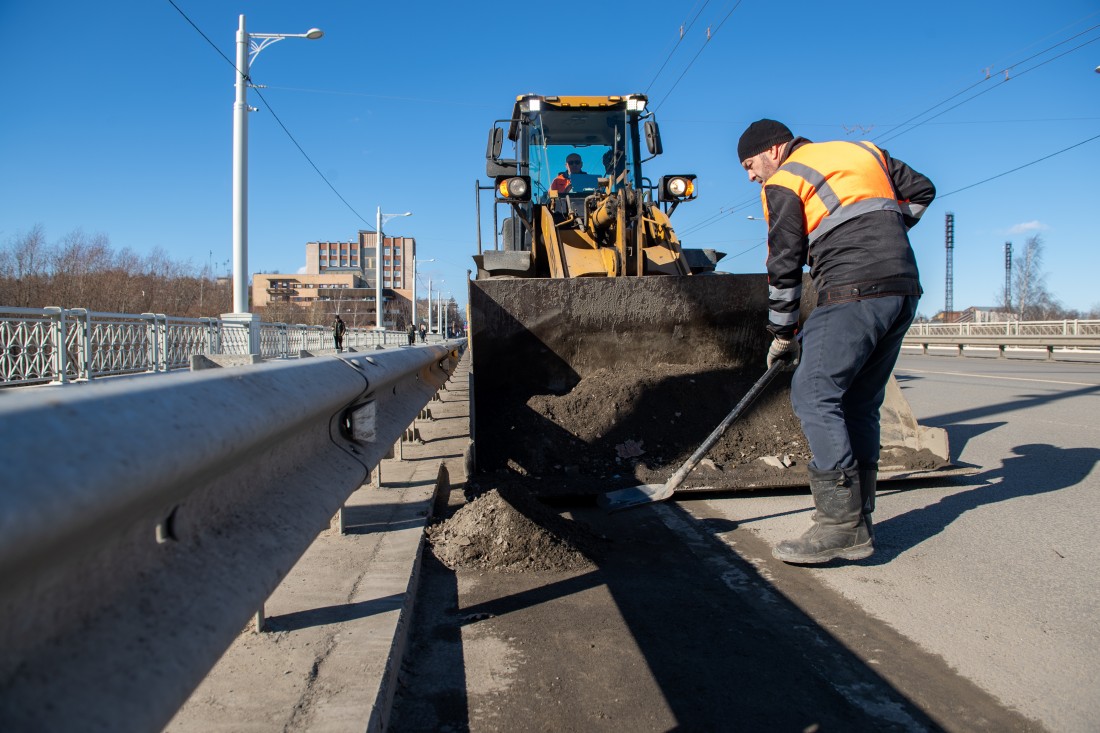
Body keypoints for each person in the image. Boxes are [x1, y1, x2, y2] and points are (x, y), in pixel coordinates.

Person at [737, 119, 935, 565]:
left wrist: (782, 332)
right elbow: (922, 190)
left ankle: (839, 526)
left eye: (750, 165)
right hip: (902, 290)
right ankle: (859, 518)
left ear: (774, 149)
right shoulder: (862, 150)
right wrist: (885, 234)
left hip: (853, 290)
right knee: (859, 404)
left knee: (813, 394)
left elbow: (784, 264)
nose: (751, 176)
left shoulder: (785, 180)